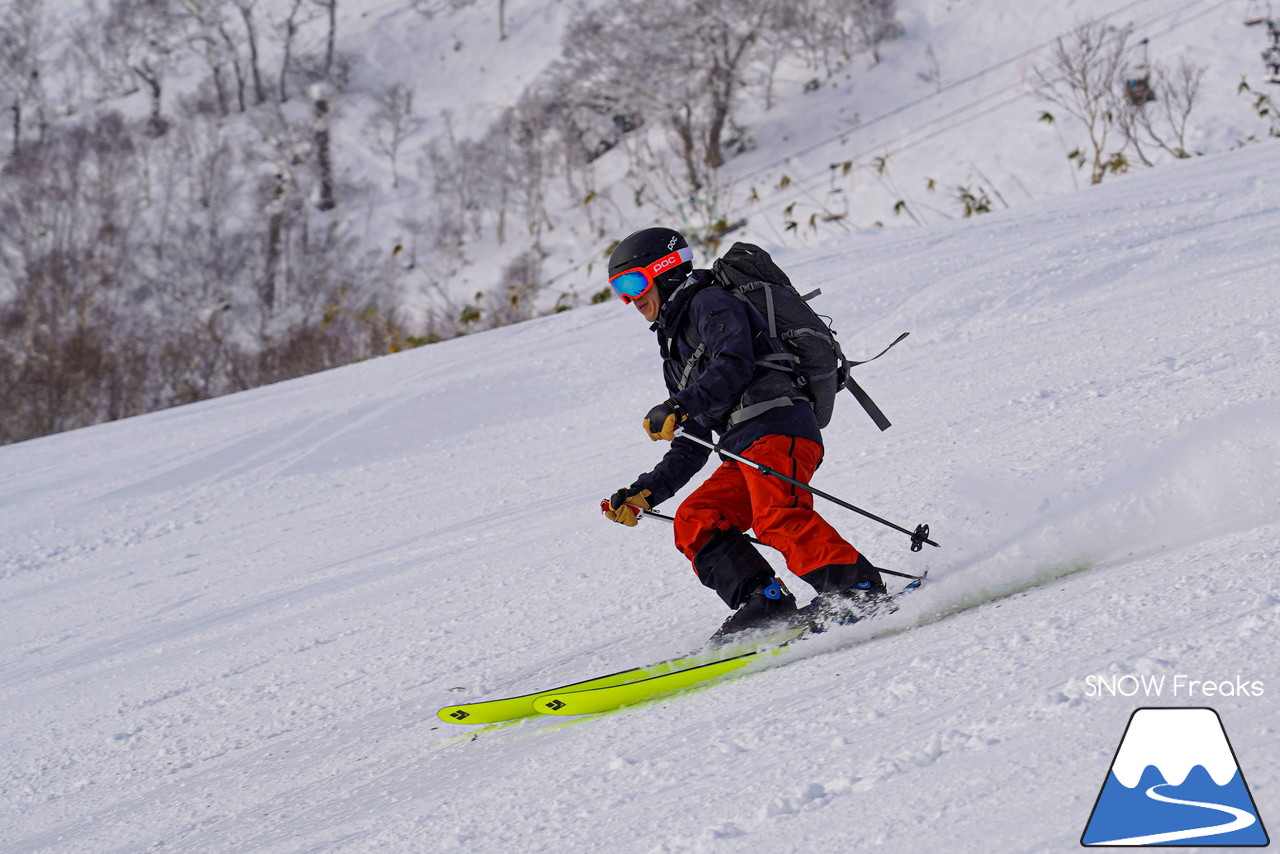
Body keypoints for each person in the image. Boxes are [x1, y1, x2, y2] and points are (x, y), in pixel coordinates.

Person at [600, 226, 885, 638]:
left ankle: (856, 589)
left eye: (632, 282)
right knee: (696, 518)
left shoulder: (709, 302)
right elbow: (693, 442)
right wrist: (646, 493)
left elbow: (735, 364)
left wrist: (679, 405)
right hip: (744, 449)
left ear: (664, 271)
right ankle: (764, 601)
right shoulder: (674, 350)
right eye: (619, 290)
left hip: (778, 426)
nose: (630, 298)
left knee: (775, 517)